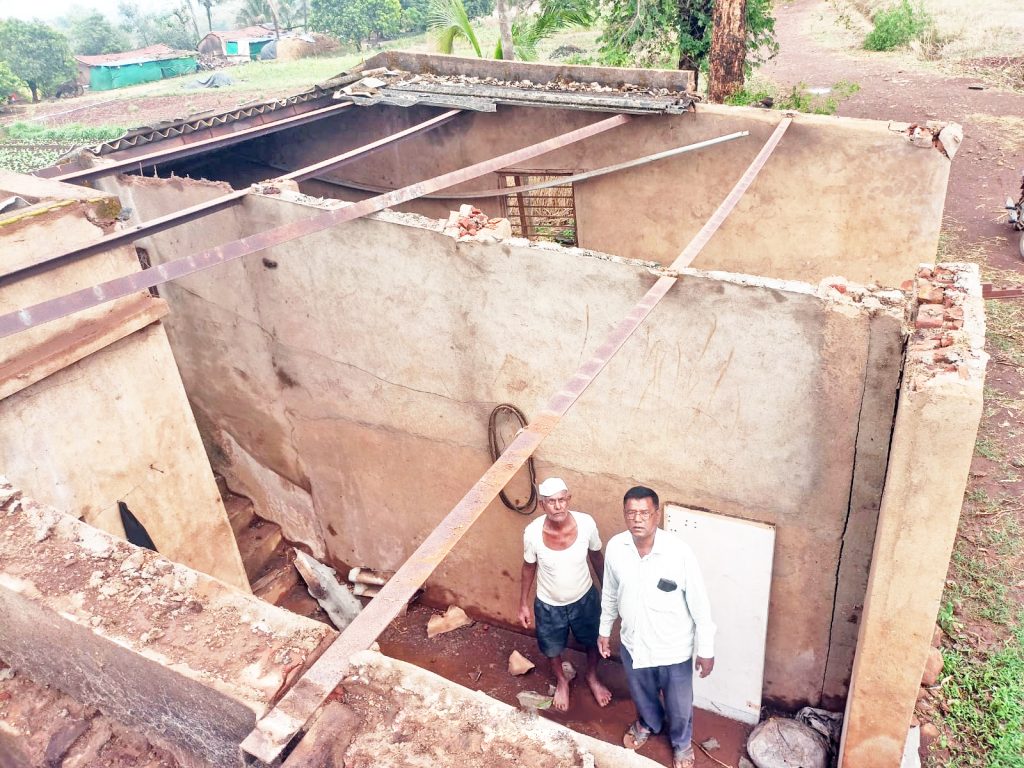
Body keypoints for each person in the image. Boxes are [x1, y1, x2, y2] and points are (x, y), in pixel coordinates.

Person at [598, 486, 715, 768]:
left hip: (672, 647)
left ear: (656, 515)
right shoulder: (616, 547)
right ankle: (649, 722)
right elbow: (610, 593)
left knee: (679, 704)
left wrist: (706, 649)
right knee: (642, 694)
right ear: (625, 515)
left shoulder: (679, 553)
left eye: (644, 513)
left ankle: (682, 743)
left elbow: (700, 604)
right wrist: (604, 630)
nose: (637, 519)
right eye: (631, 513)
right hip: (634, 643)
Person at [519, 477, 612, 711]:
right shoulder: (532, 533)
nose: (558, 506)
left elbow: (596, 557)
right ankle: (562, 681)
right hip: (549, 604)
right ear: (542, 505)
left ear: (568, 499)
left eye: (562, 500)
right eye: (551, 502)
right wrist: (523, 604)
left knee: (593, 642)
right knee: (551, 648)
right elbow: (529, 566)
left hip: (585, 598)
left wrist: (609, 594)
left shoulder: (586, 524)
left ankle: (592, 676)